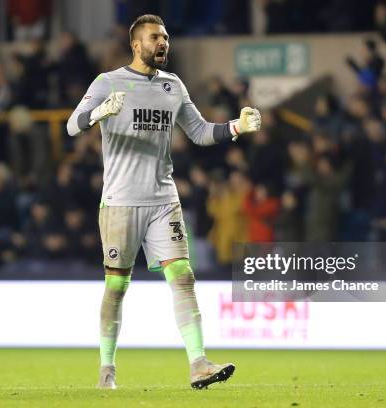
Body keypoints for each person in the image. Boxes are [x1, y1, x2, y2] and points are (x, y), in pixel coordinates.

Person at [66, 14, 261, 389]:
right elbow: (73, 125)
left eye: (166, 37)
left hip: (162, 199)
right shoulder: (108, 82)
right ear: (136, 44)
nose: (164, 43)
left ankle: (199, 364)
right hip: (121, 201)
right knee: (117, 287)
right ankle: (107, 369)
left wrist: (236, 127)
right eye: (156, 37)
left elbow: (201, 132)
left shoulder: (173, 85)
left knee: (183, 277)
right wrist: (99, 113)